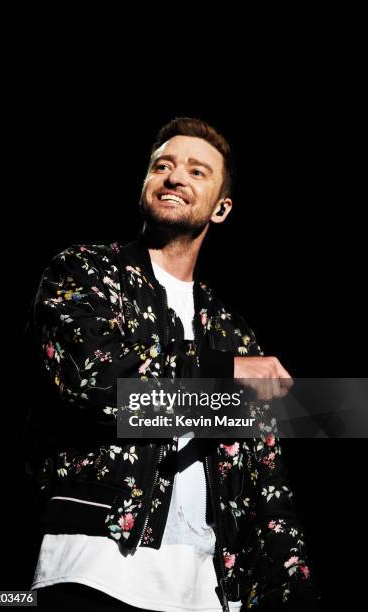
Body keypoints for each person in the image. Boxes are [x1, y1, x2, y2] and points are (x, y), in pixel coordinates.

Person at [26, 117, 321, 611]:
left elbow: (263, 480)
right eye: (161, 166)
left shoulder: (232, 331)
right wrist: (223, 373)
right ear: (144, 184)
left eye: (196, 170)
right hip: (96, 569)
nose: (174, 177)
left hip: (207, 592)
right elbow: (98, 387)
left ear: (222, 208)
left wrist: (289, 592)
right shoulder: (86, 272)